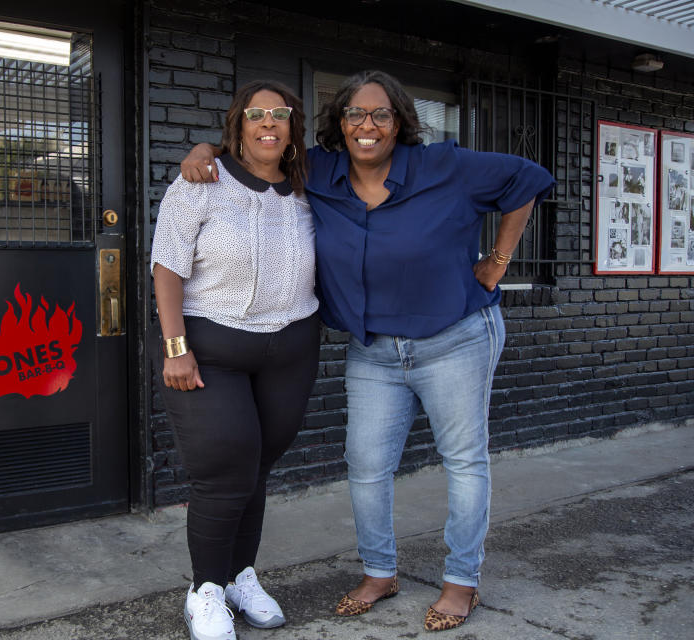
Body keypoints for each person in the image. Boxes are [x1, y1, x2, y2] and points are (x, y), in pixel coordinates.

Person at [179, 70, 555, 632]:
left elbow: (528, 178)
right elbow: (262, 142)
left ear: (400, 121)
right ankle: (380, 572)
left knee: (464, 463)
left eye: (381, 114)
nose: (367, 125)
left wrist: (498, 260)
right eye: (355, 114)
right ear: (340, 124)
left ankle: (461, 582)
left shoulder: (444, 166)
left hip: (453, 337)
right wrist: (206, 147)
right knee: (367, 466)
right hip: (373, 348)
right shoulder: (321, 170)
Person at [151, 79, 320, 640]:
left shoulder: (308, 188)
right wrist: (176, 348)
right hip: (210, 351)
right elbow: (167, 267)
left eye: (280, 114)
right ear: (238, 125)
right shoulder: (201, 180)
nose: (268, 123)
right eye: (256, 114)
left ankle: (240, 576)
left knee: (257, 469)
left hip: (290, 351)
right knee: (225, 470)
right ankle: (204, 591)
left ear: (293, 127)